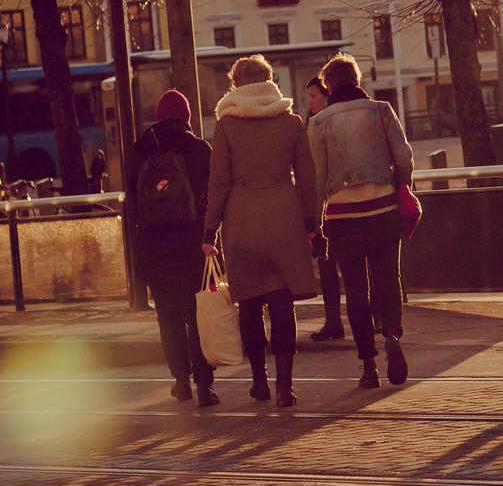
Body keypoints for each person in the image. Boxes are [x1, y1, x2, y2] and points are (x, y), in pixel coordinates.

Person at [203, 55, 321, 408]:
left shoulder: (227, 125)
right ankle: (286, 384)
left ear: (236, 84)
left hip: (240, 219)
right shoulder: (291, 122)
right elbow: (308, 177)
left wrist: (210, 230)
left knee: (250, 305)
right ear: (270, 81)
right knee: (282, 302)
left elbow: (219, 182)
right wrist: (310, 223)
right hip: (283, 216)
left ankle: (259, 381)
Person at [305, 53, 418, 388]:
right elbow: (405, 157)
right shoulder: (381, 110)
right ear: (357, 80)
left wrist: (318, 223)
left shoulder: (319, 123)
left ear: (328, 86)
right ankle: (392, 333)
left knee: (354, 289)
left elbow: (318, 176)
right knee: (388, 277)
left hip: (343, 218)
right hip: (383, 210)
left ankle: (368, 364)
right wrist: (398, 184)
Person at [127, 89, 216, 406]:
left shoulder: (140, 150)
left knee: (168, 315)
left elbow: (133, 206)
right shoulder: (199, 149)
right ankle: (205, 384)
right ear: (187, 117)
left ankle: (181, 380)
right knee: (197, 314)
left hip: (154, 247)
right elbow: (212, 199)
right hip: (193, 245)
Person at [301, 78, 347, 342]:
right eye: (308, 96)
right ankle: (333, 320)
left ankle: (344, 320)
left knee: (341, 265)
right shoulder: (308, 123)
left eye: (314, 96)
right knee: (327, 266)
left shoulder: (325, 124)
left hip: (333, 202)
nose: (310, 102)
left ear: (327, 96)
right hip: (323, 204)